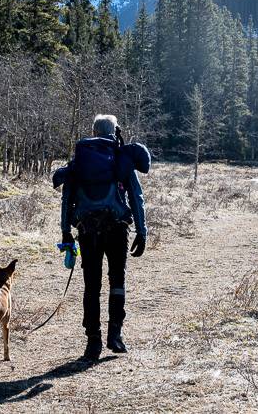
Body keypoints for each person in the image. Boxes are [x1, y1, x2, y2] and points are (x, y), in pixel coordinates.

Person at [56, 114, 149, 360]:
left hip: (88, 230)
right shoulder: (122, 158)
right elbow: (136, 197)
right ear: (115, 130)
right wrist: (141, 230)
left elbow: (67, 199)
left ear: (94, 131)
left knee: (91, 286)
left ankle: (93, 341)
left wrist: (66, 232)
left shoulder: (80, 160)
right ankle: (115, 336)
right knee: (117, 281)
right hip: (117, 228)